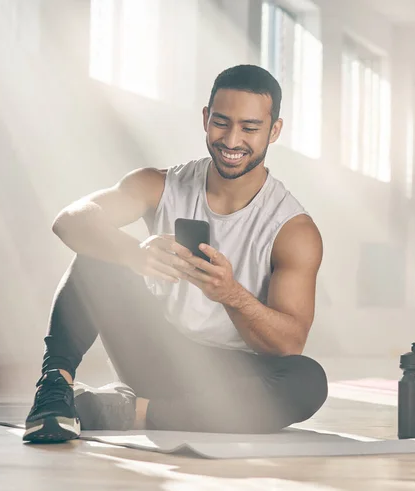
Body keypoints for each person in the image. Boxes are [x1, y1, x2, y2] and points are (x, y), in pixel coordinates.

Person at [23, 65, 328, 443]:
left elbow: (289, 344)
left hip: (233, 374)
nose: (232, 140)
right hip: (157, 355)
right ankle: (54, 391)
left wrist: (230, 294)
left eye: (250, 128)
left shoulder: (293, 230)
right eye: (221, 123)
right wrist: (134, 253)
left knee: (308, 380)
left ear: (274, 131)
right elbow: (69, 221)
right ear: (205, 119)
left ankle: (127, 411)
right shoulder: (160, 184)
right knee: (97, 251)